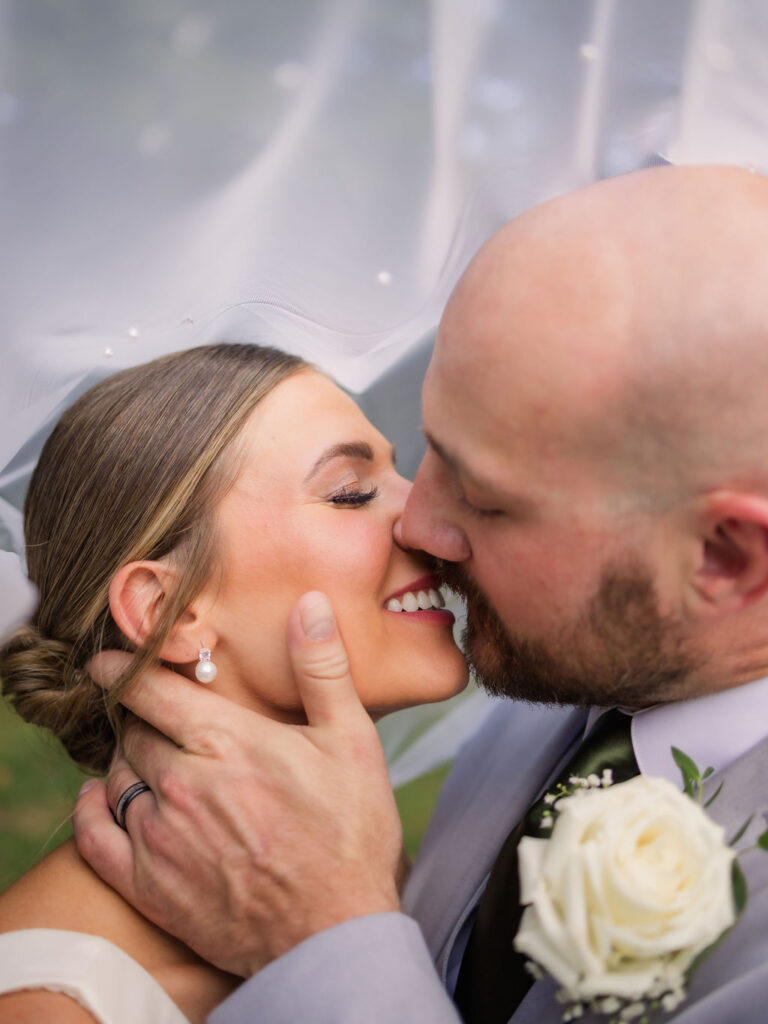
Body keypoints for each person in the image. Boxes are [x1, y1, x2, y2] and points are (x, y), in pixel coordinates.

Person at [72, 163, 768, 1023]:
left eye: (483, 495)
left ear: (728, 560)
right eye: (422, 449)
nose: (417, 524)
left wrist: (325, 939)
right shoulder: (561, 674)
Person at [0, 342, 468, 1023]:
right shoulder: (54, 1004)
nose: (426, 520)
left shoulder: (374, 856)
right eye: (350, 493)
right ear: (170, 614)